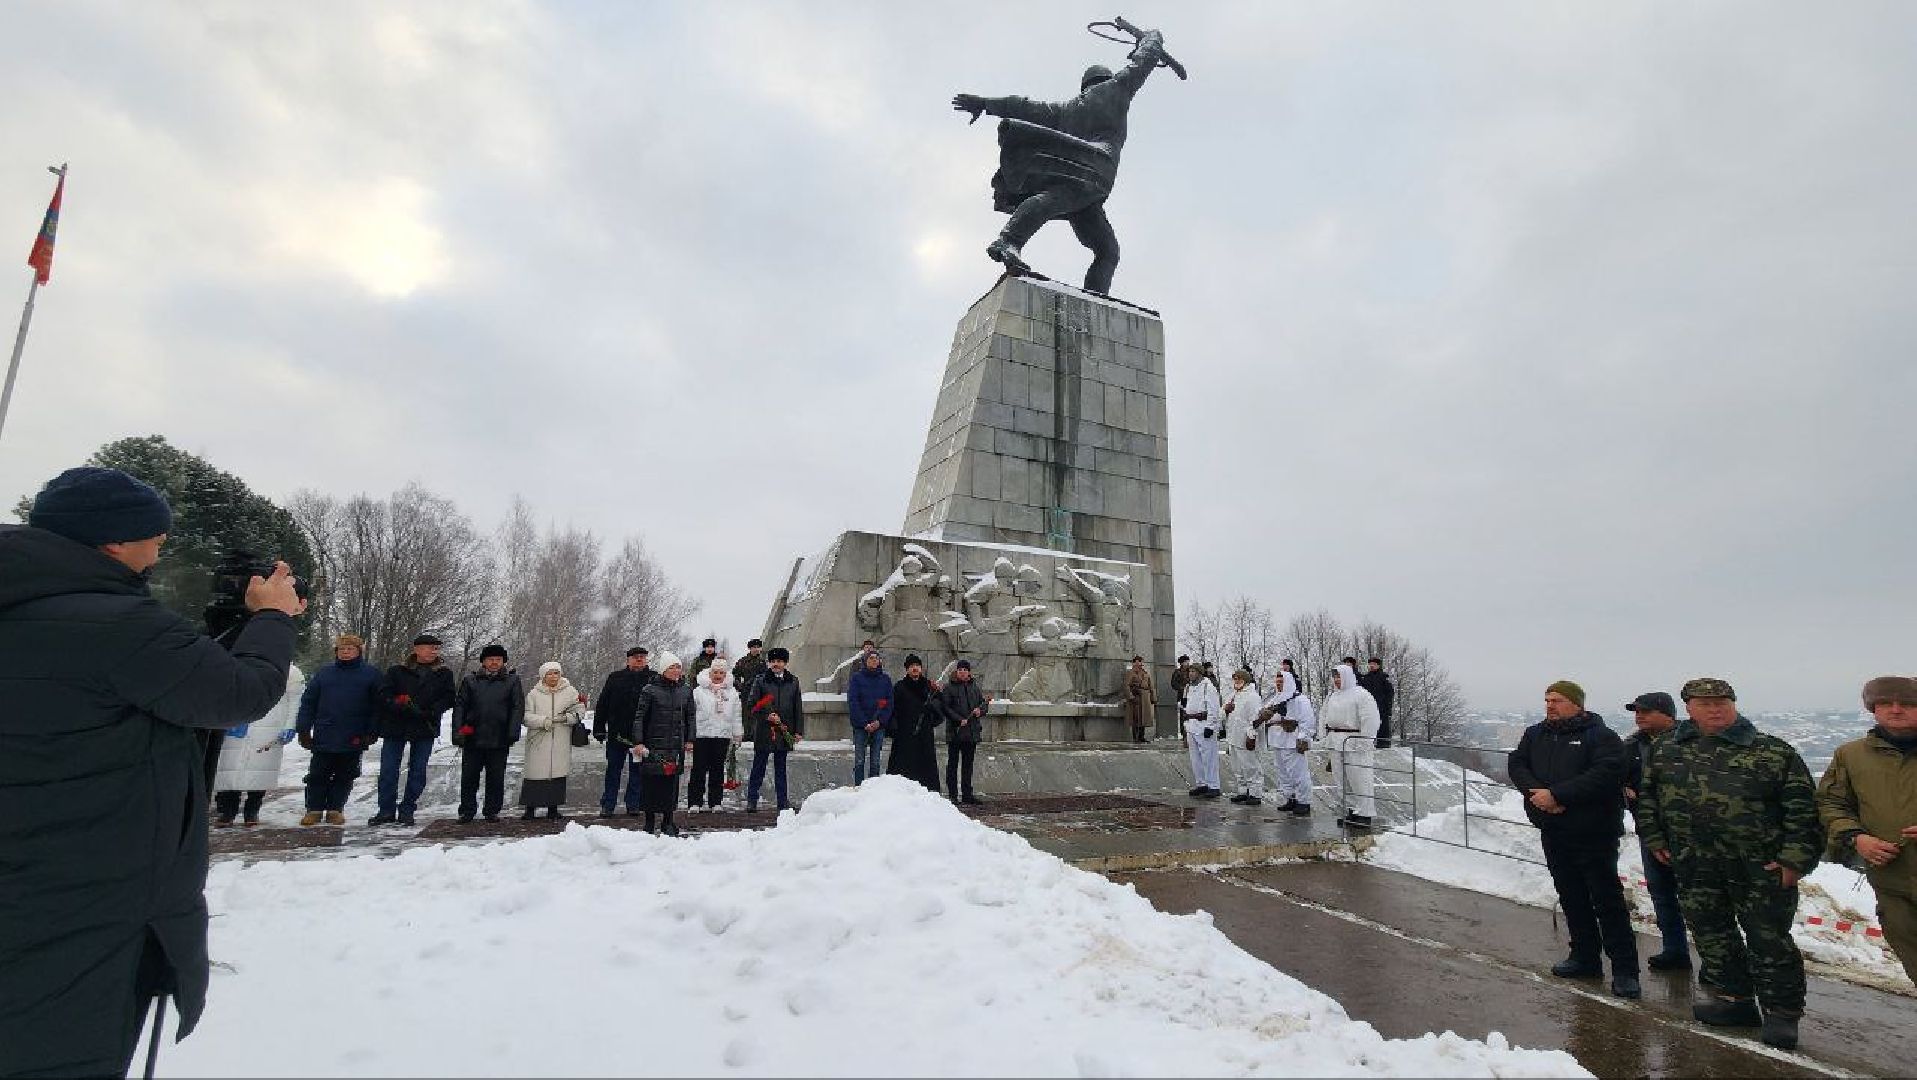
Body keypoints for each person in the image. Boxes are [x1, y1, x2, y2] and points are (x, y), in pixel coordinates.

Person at [0, 466, 301, 1078]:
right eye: (155, 538)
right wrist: (274, 618)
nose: (161, 551)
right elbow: (239, 693)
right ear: (113, 540)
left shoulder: (41, 609)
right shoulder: (117, 625)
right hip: (88, 898)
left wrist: (233, 624)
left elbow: (161, 682)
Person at [1638, 678, 1821, 1050]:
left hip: (1759, 867)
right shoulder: (1667, 749)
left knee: (1769, 938)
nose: (1715, 709)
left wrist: (1794, 860)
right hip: (1695, 864)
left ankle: (1782, 1013)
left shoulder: (1772, 752)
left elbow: (1804, 814)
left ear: (1734, 704)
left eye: (1722, 702)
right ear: (1688, 708)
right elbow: (1649, 797)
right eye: (1704, 703)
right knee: (1712, 932)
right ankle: (1734, 1000)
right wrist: (1655, 837)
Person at [950, 24, 1170, 293]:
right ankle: (1008, 240)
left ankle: (1095, 297)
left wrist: (986, 103)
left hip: (1082, 182)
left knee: (1106, 249)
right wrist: (1151, 37)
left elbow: (1025, 106)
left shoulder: (1067, 109)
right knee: (1090, 236)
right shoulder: (1116, 89)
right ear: (1106, 79)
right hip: (1097, 168)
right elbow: (1145, 59)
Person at [1508, 680, 1641, 999]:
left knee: (1607, 901)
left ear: (1577, 704)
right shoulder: (1536, 734)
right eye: (1547, 700)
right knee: (1571, 896)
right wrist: (1537, 795)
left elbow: (1606, 774)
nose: (1550, 705)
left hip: (1593, 831)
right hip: (1553, 829)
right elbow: (1517, 764)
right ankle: (1584, 957)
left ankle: (1625, 970)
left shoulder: (1600, 736)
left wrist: (1557, 794)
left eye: (1557, 700)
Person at [1815, 676, 1917, 985]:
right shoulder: (1851, 755)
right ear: (1873, 708)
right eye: (1885, 703)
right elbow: (1831, 803)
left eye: (1908, 703)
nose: (1896, 709)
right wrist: (1857, 838)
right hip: (1893, 882)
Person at [1623, 691, 1691, 971]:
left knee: (1699, 898)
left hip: (1689, 834)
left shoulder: (1690, 741)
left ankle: (1717, 962)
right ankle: (1675, 950)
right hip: (1650, 832)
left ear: (1667, 714)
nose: (1639, 716)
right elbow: (1620, 778)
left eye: (1646, 711)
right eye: (1637, 711)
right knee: (1661, 893)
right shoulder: (1631, 746)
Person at [294, 634, 383, 826]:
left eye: (350, 649)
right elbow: (308, 703)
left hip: (354, 734)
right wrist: (303, 730)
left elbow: (378, 707)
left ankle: (335, 809)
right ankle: (314, 809)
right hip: (324, 733)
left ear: (359, 651)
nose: (345, 652)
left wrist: (372, 731)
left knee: (346, 774)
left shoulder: (372, 675)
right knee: (317, 774)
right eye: (341, 649)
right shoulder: (324, 674)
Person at [371, 634, 455, 827]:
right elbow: (384, 694)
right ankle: (386, 810)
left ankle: (408, 809)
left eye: (436, 648)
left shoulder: (444, 674)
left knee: (417, 771)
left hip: (425, 725)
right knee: (388, 770)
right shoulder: (397, 671)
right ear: (417, 649)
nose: (433, 651)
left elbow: (449, 697)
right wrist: (398, 704)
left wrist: (432, 711)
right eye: (430, 647)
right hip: (396, 725)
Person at [213, 665, 306, 827]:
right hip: (237, 723)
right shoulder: (240, 662)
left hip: (269, 727)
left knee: (259, 771)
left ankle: (252, 810)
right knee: (229, 770)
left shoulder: (290, 671)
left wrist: (290, 725)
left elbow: (295, 701)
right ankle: (227, 812)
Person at [452, 644, 524, 823]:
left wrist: (513, 731)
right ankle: (467, 810)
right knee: (469, 776)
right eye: (490, 659)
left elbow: (517, 707)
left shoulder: (512, 681)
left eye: (498, 659)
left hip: (499, 737)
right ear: (483, 661)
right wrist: (458, 731)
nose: (494, 663)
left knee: (496, 777)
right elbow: (460, 707)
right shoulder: (470, 681)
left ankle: (492, 810)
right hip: (473, 736)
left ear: (503, 662)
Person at [633, 652, 696, 835]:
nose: (676, 671)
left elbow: (690, 717)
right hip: (653, 744)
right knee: (651, 783)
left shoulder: (685, 690)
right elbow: (639, 717)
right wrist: (638, 741)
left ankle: (668, 821)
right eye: (672, 667)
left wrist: (690, 739)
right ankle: (649, 821)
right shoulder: (650, 690)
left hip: (675, 745)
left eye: (678, 667)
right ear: (663, 670)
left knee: (671, 785)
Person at [1319, 663, 1382, 828]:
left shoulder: (1361, 695)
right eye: (1334, 677)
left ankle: (1365, 813)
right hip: (1336, 741)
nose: (1336, 680)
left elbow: (1371, 719)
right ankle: (1352, 809)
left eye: (1339, 676)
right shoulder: (1332, 696)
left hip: (1355, 741)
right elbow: (1323, 716)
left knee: (1359, 778)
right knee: (1341, 779)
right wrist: (1323, 736)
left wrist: (1365, 740)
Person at [593, 647, 653, 817]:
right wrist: (599, 728)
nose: (639, 660)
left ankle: (634, 804)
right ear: (628, 660)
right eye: (635, 657)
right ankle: (608, 804)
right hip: (617, 733)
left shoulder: (653, 678)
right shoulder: (615, 677)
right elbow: (603, 704)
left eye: (642, 657)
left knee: (637, 771)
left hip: (641, 735)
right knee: (613, 770)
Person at [744, 647, 805, 813]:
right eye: (772, 661)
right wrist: (767, 715)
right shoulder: (761, 680)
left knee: (781, 768)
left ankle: (782, 802)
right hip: (764, 731)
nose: (775, 664)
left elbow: (797, 708)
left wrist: (798, 731)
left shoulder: (793, 681)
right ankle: (752, 800)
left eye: (779, 661)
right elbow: (752, 705)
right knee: (759, 767)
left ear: (785, 663)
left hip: (784, 731)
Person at [519, 661, 582, 819]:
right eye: (550, 674)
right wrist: (543, 721)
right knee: (535, 775)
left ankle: (553, 809)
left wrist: (567, 718)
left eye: (556, 673)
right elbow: (525, 716)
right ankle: (530, 809)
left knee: (557, 775)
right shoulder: (534, 694)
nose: (554, 677)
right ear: (543, 676)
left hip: (561, 738)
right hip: (538, 741)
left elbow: (579, 710)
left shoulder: (570, 691)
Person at [690, 658, 742, 813]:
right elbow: (691, 714)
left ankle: (716, 802)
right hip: (702, 734)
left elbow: (736, 715)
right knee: (698, 769)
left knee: (717, 770)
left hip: (722, 735)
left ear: (725, 675)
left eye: (721, 673)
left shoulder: (732, 693)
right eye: (715, 672)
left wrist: (737, 733)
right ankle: (695, 802)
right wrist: (690, 735)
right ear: (710, 672)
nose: (718, 675)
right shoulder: (698, 691)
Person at [885, 654, 943, 793]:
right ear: (907, 669)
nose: (915, 668)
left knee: (925, 766)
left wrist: (931, 708)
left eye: (917, 665)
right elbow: (892, 709)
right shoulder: (900, 687)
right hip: (905, 733)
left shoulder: (929, 687)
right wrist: (894, 729)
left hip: (924, 733)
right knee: (903, 765)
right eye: (911, 666)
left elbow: (940, 706)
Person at [1261, 667, 1314, 816]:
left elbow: (1307, 720)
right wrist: (1265, 714)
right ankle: (1290, 797)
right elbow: (1265, 716)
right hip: (1277, 740)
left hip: (1292, 741)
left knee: (1298, 773)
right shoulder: (1274, 699)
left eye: (1282, 682)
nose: (1279, 684)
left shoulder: (1300, 699)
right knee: (1283, 773)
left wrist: (1304, 737)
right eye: (1277, 682)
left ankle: (1303, 801)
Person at [941, 659, 990, 805]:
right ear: (957, 671)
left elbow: (983, 704)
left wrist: (980, 711)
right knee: (953, 765)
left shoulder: (974, 687)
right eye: (960, 670)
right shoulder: (949, 687)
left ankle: (967, 794)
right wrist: (958, 720)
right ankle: (953, 795)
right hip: (955, 733)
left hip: (971, 733)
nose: (962, 672)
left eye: (965, 670)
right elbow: (946, 708)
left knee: (968, 765)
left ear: (969, 672)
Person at [846, 650, 893, 785]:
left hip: (878, 725)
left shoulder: (885, 679)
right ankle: (859, 787)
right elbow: (853, 702)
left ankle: (873, 789)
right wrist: (864, 723)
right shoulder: (857, 678)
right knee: (859, 760)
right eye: (871, 658)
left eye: (876, 658)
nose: (874, 660)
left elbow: (889, 702)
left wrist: (879, 721)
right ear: (865, 661)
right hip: (861, 726)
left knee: (875, 761)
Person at [1181, 660, 1223, 798]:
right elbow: (1185, 707)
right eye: (1189, 671)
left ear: (1199, 673)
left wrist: (1211, 726)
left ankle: (1214, 785)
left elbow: (1213, 708)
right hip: (1192, 725)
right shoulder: (1188, 687)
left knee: (1209, 757)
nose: (1190, 674)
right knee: (1195, 758)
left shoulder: (1208, 687)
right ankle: (1201, 784)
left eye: (1193, 671)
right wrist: (1186, 724)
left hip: (1203, 724)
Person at [1223, 670, 1265, 805]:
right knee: (1238, 768)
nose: (1237, 681)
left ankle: (1255, 793)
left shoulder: (1252, 696)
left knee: (1251, 766)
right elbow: (1223, 713)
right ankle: (1243, 791)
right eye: (1235, 678)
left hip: (1245, 737)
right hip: (1233, 736)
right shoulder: (1233, 695)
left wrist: (1251, 736)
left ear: (1246, 680)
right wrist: (1226, 710)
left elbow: (1255, 718)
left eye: (1239, 678)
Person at [1359, 658, 1396, 748]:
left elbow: (1389, 694)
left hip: (1381, 708)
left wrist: (1388, 708)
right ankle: (1368, 743)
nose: (1371, 666)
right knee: (1368, 726)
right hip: (1368, 708)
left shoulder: (1384, 678)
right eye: (1370, 664)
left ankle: (1383, 744)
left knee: (1383, 727)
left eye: (1374, 664)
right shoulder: (1365, 679)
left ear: (1378, 666)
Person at [1123, 654, 1155, 743]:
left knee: (1143, 719)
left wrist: (1153, 697)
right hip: (1136, 697)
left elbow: (1151, 686)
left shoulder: (1145, 673)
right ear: (1134, 663)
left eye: (1140, 662)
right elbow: (1126, 685)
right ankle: (1136, 737)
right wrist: (1131, 696)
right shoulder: (1130, 673)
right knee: (1136, 719)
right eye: (1137, 662)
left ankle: (1142, 737)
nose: (1139, 664)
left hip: (1145, 698)